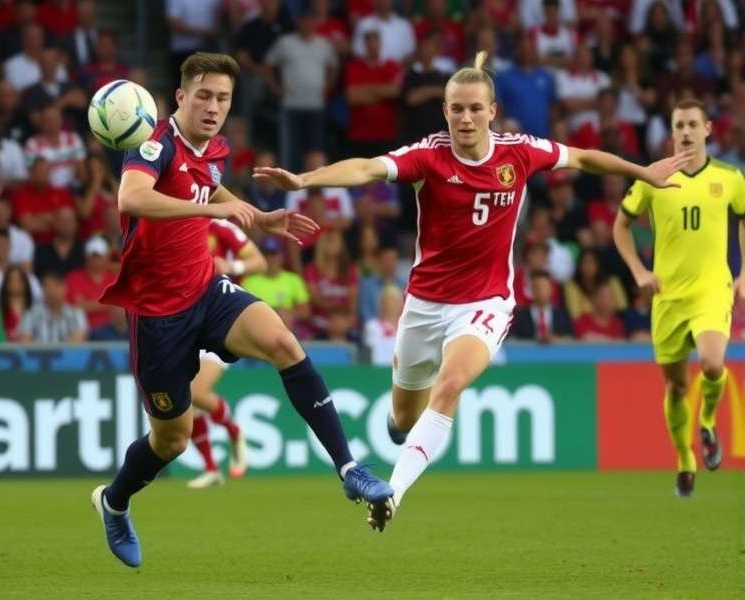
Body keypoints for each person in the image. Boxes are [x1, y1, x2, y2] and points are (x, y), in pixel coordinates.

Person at [255, 51, 690, 531]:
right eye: (456, 108)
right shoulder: (429, 156)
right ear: (445, 112)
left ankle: (393, 493)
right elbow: (367, 169)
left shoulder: (519, 152)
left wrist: (642, 172)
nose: (465, 117)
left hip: (485, 303)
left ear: (492, 111)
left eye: (474, 108)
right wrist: (305, 179)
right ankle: (401, 430)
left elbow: (582, 157)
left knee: (452, 384)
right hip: (423, 305)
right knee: (401, 419)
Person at [89, 52, 393, 569]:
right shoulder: (153, 145)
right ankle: (114, 501)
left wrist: (258, 219)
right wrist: (216, 209)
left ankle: (349, 469)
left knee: (284, 343)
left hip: (206, 289)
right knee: (172, 441)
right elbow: (133, 198)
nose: (213, 107)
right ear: (180, 97)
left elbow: (208, 182)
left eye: (223, 98)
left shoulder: (215, 150)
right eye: (203, 95)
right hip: (157, 314)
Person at [613, 98, 745, 497]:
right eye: (678, 125)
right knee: (673, 388)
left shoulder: (731, 177)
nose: (685, 132)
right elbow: (620, 226)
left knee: (710, 363)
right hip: (668, 296)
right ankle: (685, 457)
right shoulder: (653, 179)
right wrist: (639, 271)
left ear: (707, 129)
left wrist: (743, 274)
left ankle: (706, 422)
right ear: (670, 133)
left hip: (711, 288)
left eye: (692, 124)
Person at [187, 218, 268, 489]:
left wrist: (232, 266)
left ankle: (233, 430)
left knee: (196, 392)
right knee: (187, 402)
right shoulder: (176, 226)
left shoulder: (218, 226)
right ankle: (211, 468)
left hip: (222, 321)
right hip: (187, 323)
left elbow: (259, 262)